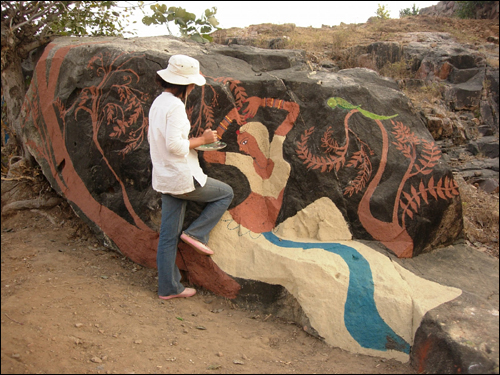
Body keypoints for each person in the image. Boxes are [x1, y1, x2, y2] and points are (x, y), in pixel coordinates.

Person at [148, 55, 234, 301]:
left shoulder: (159, 103)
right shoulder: (175, 106)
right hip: (181, 178)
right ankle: (196, 233)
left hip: (165, 178)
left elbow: (164, 142)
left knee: (167, 237)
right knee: (225, 193)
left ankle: (168, 288)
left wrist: (193, 144)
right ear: (185, 84)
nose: (194, 89)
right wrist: (204, 141)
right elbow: (176, 146)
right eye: (193, 85)